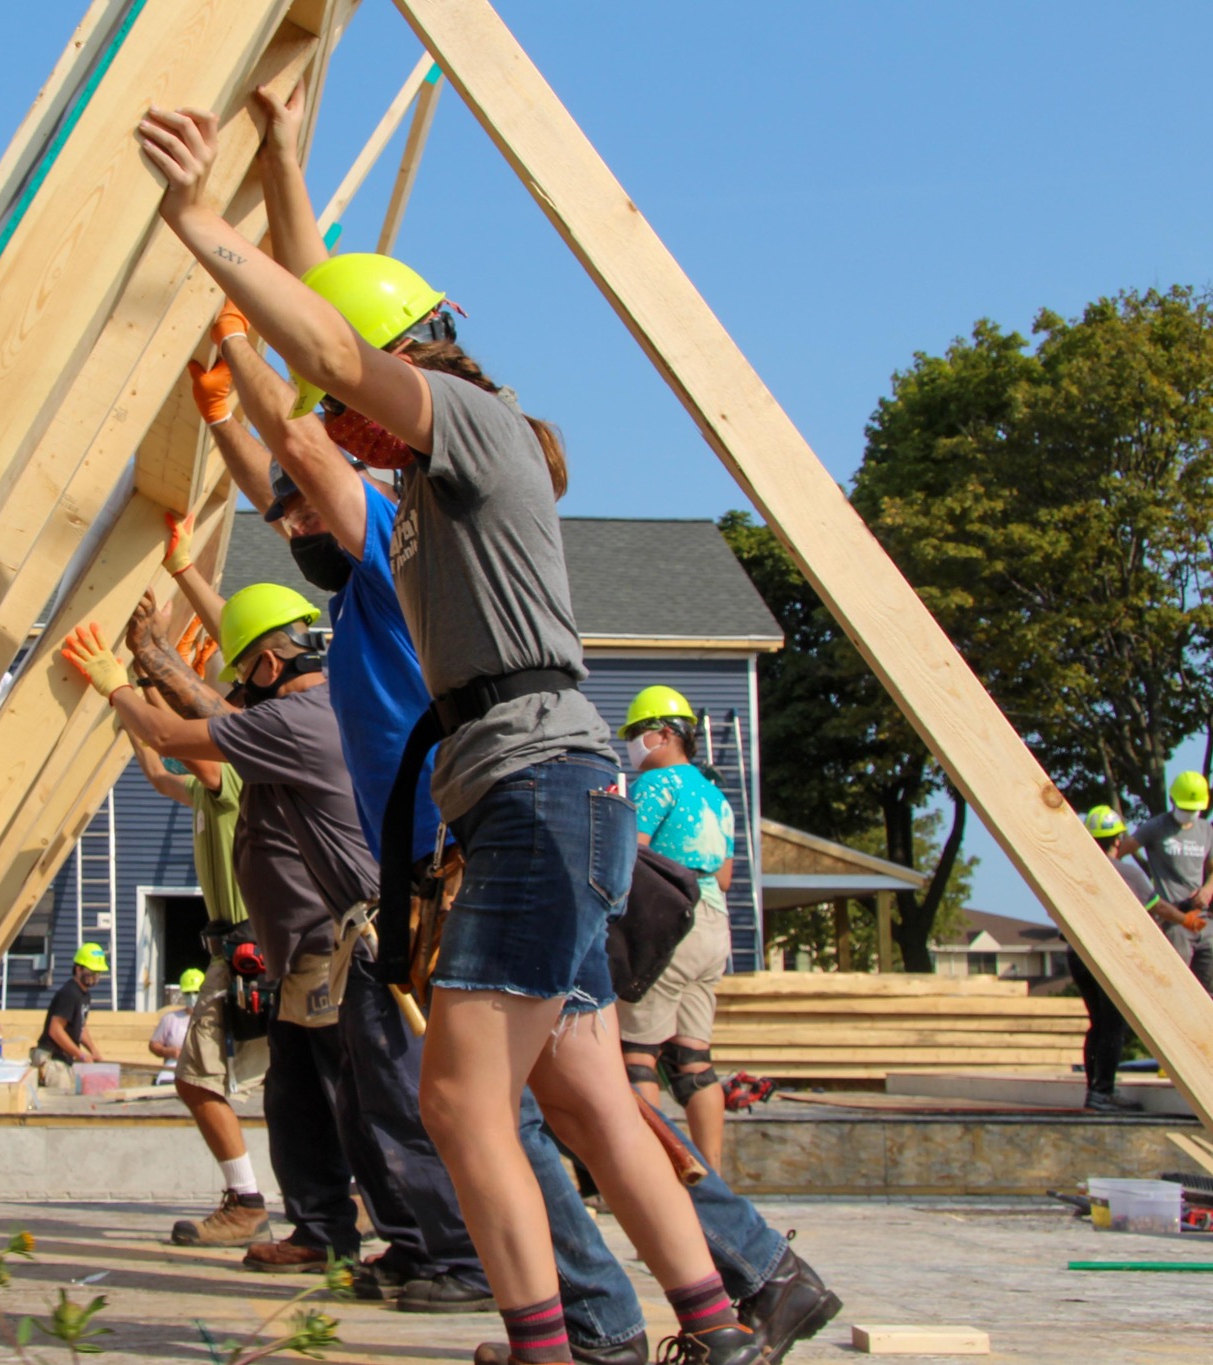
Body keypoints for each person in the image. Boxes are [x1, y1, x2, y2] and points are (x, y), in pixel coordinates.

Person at [139, 98, 761, 1365]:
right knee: (584, 1101)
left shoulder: (467, 430)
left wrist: (201, 219)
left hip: (533, 790)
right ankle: (721, 1329)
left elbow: (332, 350)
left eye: (364, 407)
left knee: (458, 1097)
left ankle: (553, 1347)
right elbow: (314, 392)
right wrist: (285, 171)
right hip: (522, 800)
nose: (345, 440)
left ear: (410, 364)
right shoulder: (411, 511)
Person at [66, 581, 494, 1310]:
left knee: (384, 1099)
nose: (238, 692)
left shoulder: (302, 718)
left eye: (243, 673)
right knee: (315, 1096)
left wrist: (123, 682)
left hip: (358, 940)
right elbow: (214, 713)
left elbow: (180, 735)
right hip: (311, 947)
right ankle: (352, 1234)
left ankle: (453, 1253)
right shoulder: (307, 710)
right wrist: (159, 661)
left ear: (267, 664)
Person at [127, 701, 275, 1247]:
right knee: (293, 1080)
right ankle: (344, 1193)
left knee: (193, 1077)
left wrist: (133, 689)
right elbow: (157, 770)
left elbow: (173, 743)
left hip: (243, 950)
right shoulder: (202, 793)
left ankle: (246, 1199)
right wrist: (128, 717)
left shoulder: (229, 777)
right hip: (238, 949)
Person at [615, 687, 737, 1172]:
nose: (632, 743)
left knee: (638, 1055)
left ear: (666, 733)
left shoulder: (655, 785)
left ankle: (657, 1176)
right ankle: (715, 1182)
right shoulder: (714, 794)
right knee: (694, 1060)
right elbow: (725, 878)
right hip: (712, 927)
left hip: (667, 926)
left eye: (637, 733)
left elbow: (631, 858)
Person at [1073, 807, 1171, 1112]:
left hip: (1077, 956)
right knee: (1114, 1025)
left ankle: (1094, 1091)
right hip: (1107, 958)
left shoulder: (1078, 870)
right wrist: (1183, 918)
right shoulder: (1127, 872)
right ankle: (1103, 1093)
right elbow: (1157, 908)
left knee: (1098, 1024)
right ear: (1117, 840)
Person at [1130, 772, 1213, 1011]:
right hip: (1174, 920)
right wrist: (1143, 892)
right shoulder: (1156, 827)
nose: (1189, 812)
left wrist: (1207, 891)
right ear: (1173, 800)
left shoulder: (1206, 830)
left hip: (1201, 919)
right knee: (1177, 990)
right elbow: (1119, 854)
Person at [33, 944, 105, 1091]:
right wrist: (81, 1055)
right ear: (78, 969)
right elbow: (55, 1029)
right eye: (91, 972)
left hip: (64, 1060)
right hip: (52, 1060)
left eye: (98, 973)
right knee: (58, 1107)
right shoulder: (69, 993)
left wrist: (93, 1050)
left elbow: (80, 1027)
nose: (95, 977)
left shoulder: (84, 996)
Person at [149, 967, 203, 1083]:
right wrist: (168, 1052)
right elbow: (154, 1045)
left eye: (196, 992)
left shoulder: (211, 1019)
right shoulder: (170, 1019)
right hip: (174, 1070)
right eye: (188, 993)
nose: (192, 996)